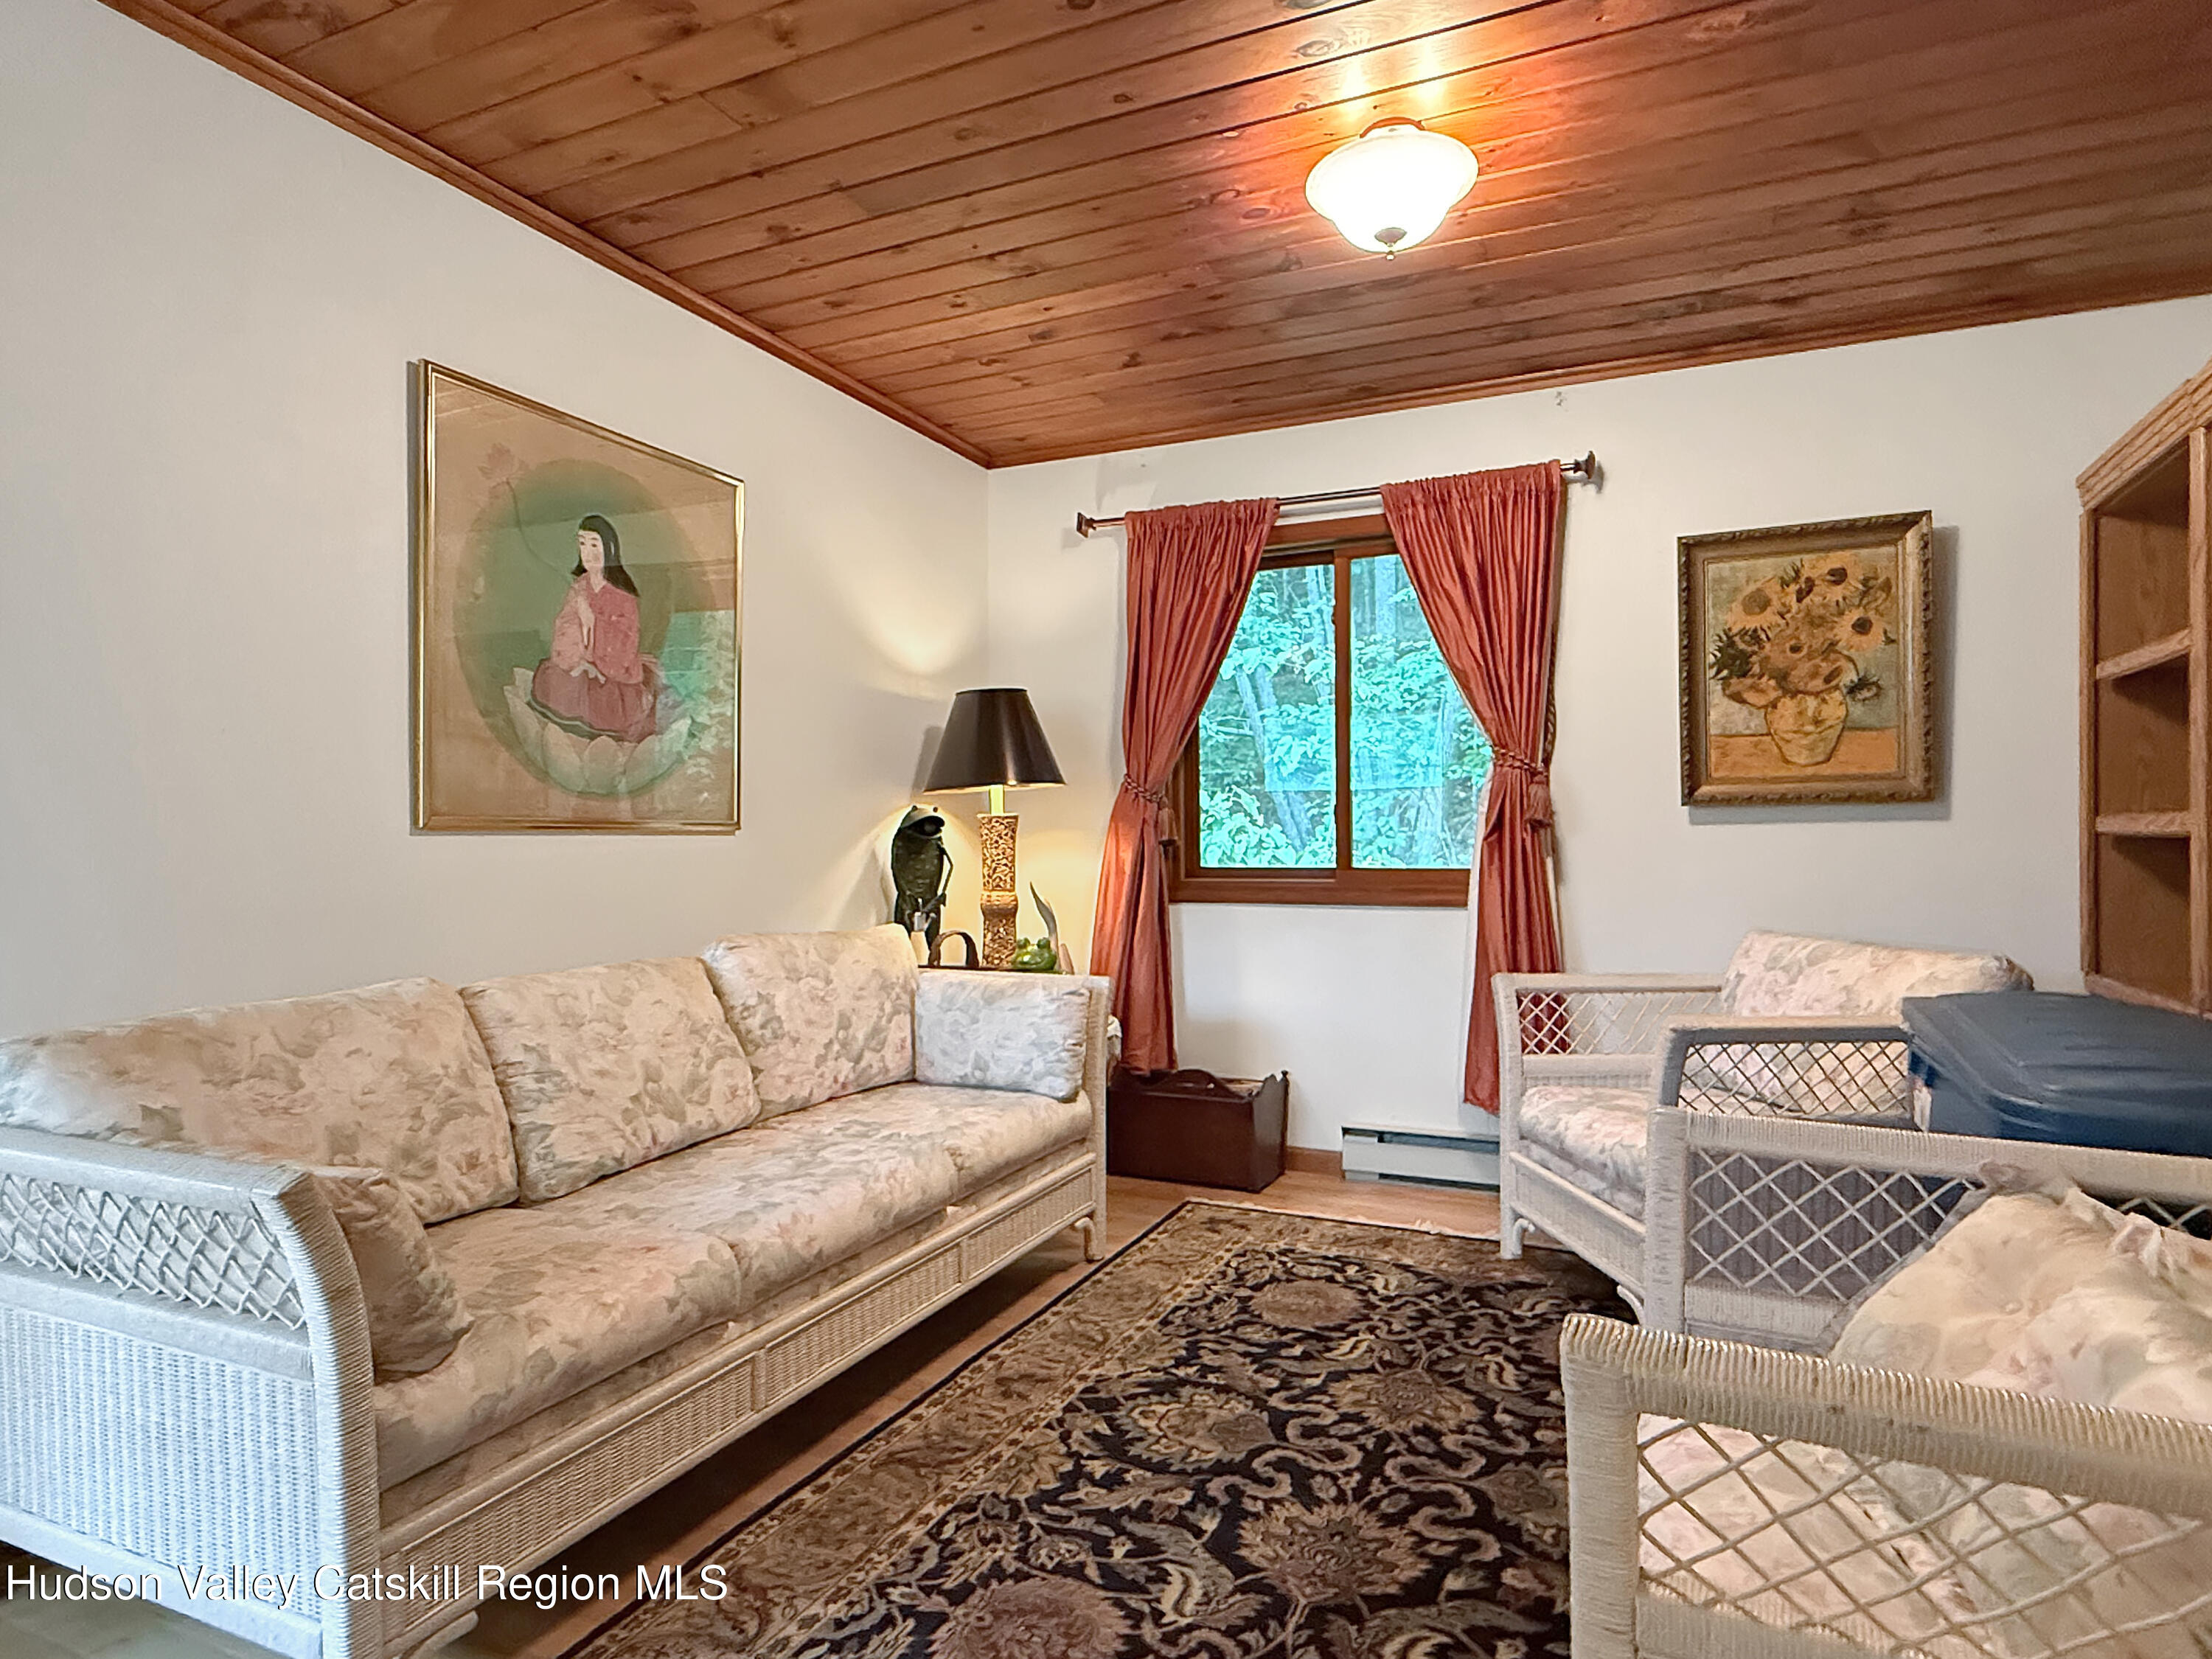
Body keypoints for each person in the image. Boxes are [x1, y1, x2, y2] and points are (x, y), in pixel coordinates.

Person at [530, 515, 661, 743]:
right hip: (579, 663)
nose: (587, 552)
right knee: (559, 683)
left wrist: (594, 625)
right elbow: (565, 625)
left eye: (594, 544)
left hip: (613, 673)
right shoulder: (579, 588)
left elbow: (626, 641)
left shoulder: (623, 596)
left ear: (608, 548)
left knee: (606, 702)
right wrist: (578, 658)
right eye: (582, 544)